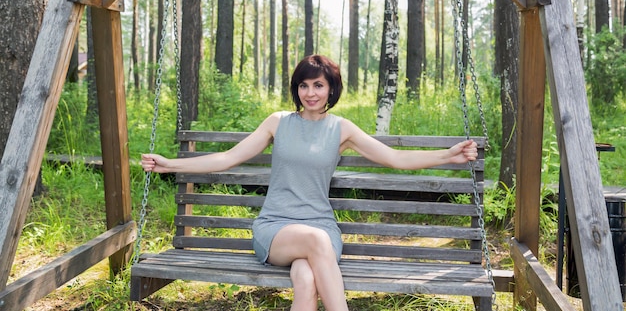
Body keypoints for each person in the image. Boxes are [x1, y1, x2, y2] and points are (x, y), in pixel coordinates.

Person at [141, 54, 478, 311]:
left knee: (305, 278)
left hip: (320, 228)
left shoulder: (341, 129)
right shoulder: (278, 123)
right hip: (276, 229)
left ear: (331, 88)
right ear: (296, 88)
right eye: (304, 85)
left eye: (318, 85)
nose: (310, 92)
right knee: (314, 244)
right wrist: (170, 165)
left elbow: (396, 159)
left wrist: (448, 156)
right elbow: (228, 158)